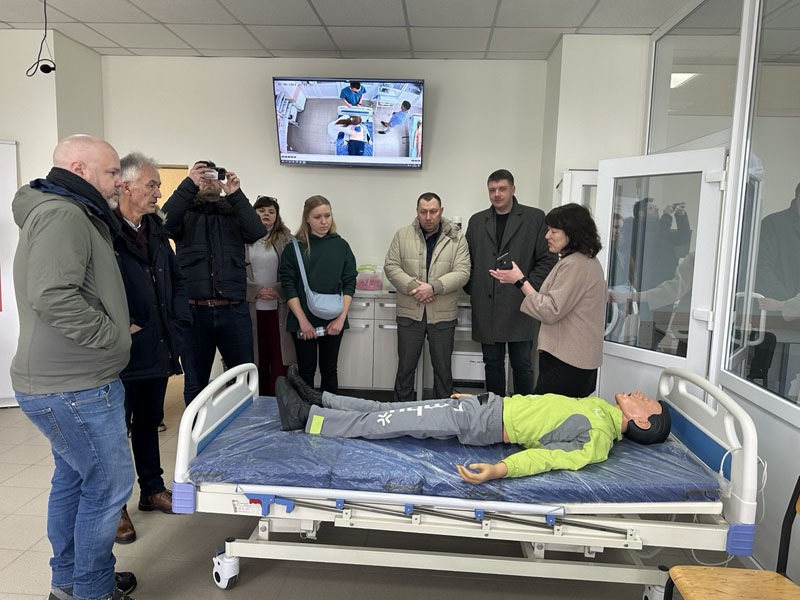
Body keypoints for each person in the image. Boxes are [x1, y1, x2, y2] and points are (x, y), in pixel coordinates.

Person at [11, 134, 137, 600]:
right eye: (112, 172)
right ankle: (91, 589)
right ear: (80, 169)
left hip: (67, 380)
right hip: (74, 385)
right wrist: (111, 336)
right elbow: (52, 296)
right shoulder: (63, 214)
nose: (119, 181)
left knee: (73, 480)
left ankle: (69, 584)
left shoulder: (71, 211)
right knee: (108, 486)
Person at [274, 376, 672, 484]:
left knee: (387, 422)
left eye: (648, 402)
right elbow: (535, 408)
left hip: (480, 422)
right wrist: (478, 398)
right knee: (390, 410)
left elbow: (546, 458)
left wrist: (500, 470)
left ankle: (307, 418)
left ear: (641, 421)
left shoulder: (597, 440)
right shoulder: (599, 407)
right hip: (485, 406)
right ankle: (323, 399)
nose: (642, 394)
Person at [112, 152, 191, 544]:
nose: (158, 193)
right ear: (126, 187)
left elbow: (176, 279)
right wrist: (119, 324)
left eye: (158, 185)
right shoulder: (105, 230)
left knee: (148, 422)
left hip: (158, 345)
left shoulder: (156, 230)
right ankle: (116, 508)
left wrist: (178, 322)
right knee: (115, 431)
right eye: (152, 185)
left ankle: (152, 490)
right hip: (121, 352)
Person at [162, 160, 266, 406]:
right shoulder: (185, 213)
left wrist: (235, 194)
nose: (209, 180)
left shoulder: (234, 212)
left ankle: (241, 428)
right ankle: (196, 430)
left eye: (213, 174)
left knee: (243, 378)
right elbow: (163, 223)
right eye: (203, 175)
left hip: (233, 310)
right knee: (195, 382)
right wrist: (188, 185)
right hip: (194, 312)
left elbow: (256, 231)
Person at [490, 203, 606, 397]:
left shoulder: (574, 265)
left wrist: (520, 281)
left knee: (549, 413)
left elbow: (550, 311)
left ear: (572, 233)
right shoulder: (585, 261)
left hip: (567, 361)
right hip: (575, 359)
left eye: (554, 231)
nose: (547, 236)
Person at [465, 169, 557, 397]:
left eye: (502, 189)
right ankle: (495, 411)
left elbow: (547, 260)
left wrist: (526, 287)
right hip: (486, 305)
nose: (497, 194)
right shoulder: (477, 221)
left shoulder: (535, 218)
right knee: (492, 364)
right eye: (492, 190)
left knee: (523, 365)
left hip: (521, 305)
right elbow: (467, 260)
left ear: (513, 189)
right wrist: (474, 288)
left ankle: (525, 413)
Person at [384, 192, 471, 402]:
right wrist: (416, 288)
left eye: (433, 211)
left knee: (443, 371)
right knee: (405, 369)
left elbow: (463, 272)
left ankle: (444, 415)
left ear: (441, 211)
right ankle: (401, 413)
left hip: (442, 314)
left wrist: (433, 288)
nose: (428, 217)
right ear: (417, 212)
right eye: (423, 212)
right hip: (410, 313)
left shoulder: (457, 238)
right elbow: (391, 266)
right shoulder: (402, 235)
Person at [279, 195, 357, 394]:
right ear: (307, 218)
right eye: (317, 217)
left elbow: (349, 283)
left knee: (329, 370)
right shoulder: (294, 248)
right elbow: (288, 286)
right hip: (302, 320)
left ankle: (329, 412)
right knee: (306, 371)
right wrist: (303, 322)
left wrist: (341, 319)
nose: (324, 221)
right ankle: (305, 412)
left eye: (327, 216)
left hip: (334, 319)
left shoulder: (341, 246)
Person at [246, 195, 296, 396]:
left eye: (271, 211)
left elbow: (294, 273)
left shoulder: (287, 239)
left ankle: (278, 404)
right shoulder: (242, 238)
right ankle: (257, 403)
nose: (266, 214)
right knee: (256, 359)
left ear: (277, 216)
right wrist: (255, 290)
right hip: (251, 310)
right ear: (253, 213)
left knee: (279, 360)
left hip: (279, 311)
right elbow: (233, 273)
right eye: (261, 210)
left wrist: (278, 289)